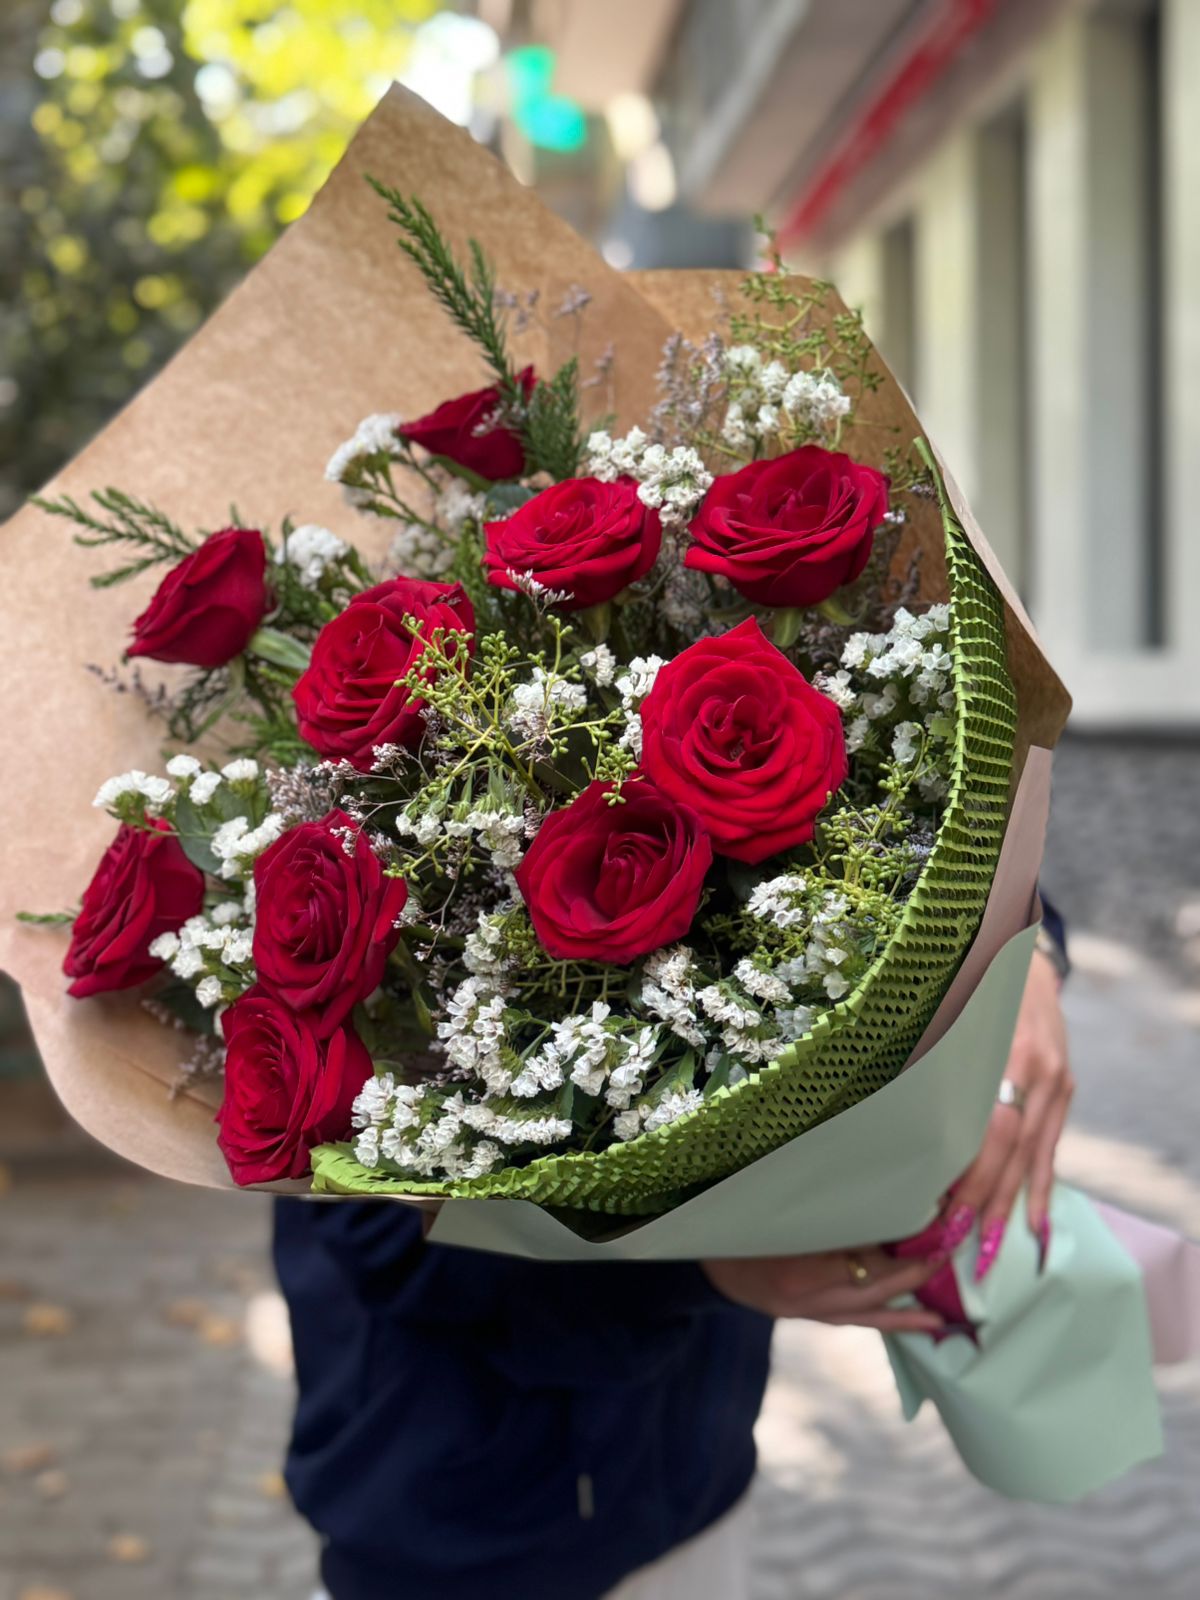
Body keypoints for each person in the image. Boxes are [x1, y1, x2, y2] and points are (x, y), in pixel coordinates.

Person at [274, 913, 1071, 1600]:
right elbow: (379, 1232)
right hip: (460, 1510)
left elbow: (959, 823)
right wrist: (707, 1271)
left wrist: (1026, 950)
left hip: (697, 1464)